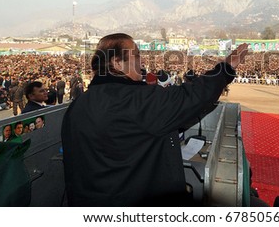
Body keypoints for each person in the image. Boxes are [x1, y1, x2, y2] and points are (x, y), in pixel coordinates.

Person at [61, 33, 248, 206]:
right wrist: (226, 68)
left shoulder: (78, 106)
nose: (142, 60)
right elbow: (192, 96)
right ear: (117, 63)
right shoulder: (136, 100)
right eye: (136, 54)